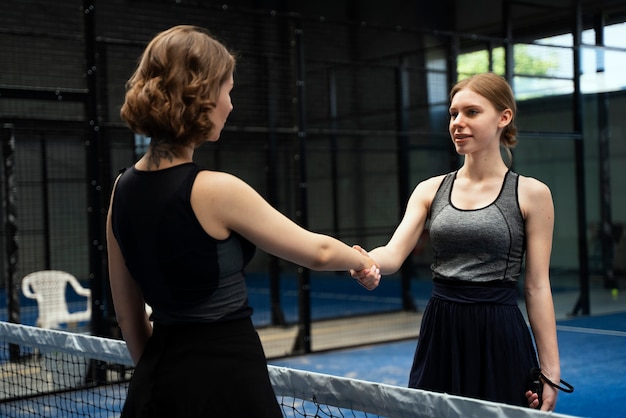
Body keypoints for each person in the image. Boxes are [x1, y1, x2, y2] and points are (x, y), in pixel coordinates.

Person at [106, 25, 380, 418]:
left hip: (155, 379)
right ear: (199, 95)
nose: (230, 105)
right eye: (227, 90)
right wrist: (362, 261)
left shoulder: (120, 189)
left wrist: (161, 373)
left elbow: (128, 316)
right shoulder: (216, 190)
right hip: (229, 378)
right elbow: (317, 252)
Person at [351, 72, 560, 411]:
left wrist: (550, 372)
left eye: (471, 112)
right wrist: (366, 262)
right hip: (441, 331)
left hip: (499, 332)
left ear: (503, 117)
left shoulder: (532, 194)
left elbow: (537, 287)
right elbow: (391, 253)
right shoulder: (429, 189)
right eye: (453, 113)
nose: (458, 123)